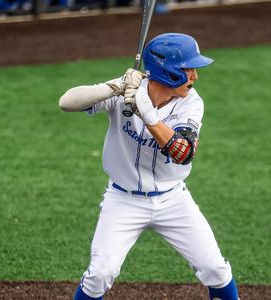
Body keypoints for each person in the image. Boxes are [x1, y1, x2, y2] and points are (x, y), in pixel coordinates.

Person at [59, 32, 239, 300]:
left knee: (215, 268)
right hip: (123, 200)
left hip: (173, 200)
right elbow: (66, 102)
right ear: (170, 72)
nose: (195, 76)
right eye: (189, 69)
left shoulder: (191, 103)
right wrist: (115, 87)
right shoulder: (126, 91)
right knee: (100, 274)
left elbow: (183, 152)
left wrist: (149, 115)